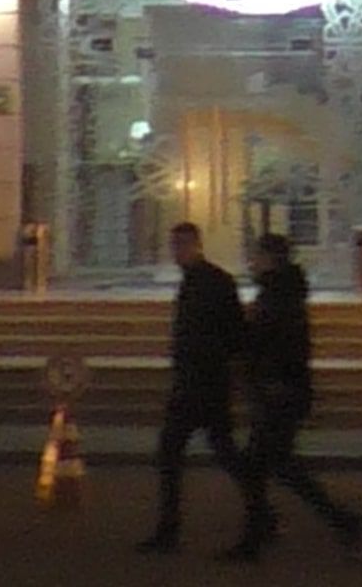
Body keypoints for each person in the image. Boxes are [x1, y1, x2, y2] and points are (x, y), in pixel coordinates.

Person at [229, 232, 362, 560]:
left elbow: (277, 345)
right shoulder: (281, 293)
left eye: (256, 255)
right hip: (280, 391)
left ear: (270, 258)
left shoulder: (278, 297)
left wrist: (269, 378)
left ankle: (334, 522)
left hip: (278, 393)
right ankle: (331, 522)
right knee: (272, 465)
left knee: (266, 465)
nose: (251, 262)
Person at [133, 219, 249, 552]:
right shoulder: (206, 281)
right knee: (220, 451)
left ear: (196, 245)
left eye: (182, 245)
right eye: (174, 246)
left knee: (175, 452)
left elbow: (229, 334)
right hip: (202, 382)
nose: (177, 252)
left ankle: (170, 530)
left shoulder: (208, 282)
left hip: (201, 383)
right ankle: (260, 512)